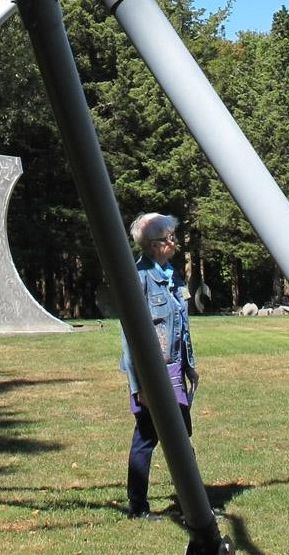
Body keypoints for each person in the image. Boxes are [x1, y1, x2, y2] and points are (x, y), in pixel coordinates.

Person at [119, 213, 198, 520]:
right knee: (147, 437)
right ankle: (138, 506)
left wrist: (189, 365)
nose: (173, 241)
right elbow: (129, 337)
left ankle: (189, 502)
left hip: (175, 370)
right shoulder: (138, 278)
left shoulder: (172, 275)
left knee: (180, 435)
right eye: (168, 238)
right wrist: (139, 387)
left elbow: (182, 325)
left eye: (172, 236)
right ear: (152, 245)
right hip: (153, 375)